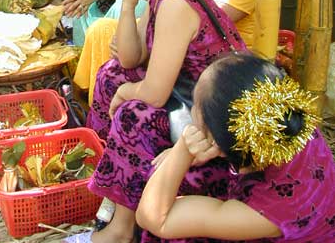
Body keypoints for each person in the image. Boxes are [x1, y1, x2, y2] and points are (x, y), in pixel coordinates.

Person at [70, 0, 244, 243]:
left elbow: (154, 93)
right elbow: (130, 58)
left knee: (133, 113)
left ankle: (120, 230)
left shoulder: (177, 3)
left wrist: (126, 93)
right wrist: (128, 3)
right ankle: (110, 185)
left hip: (212, 120)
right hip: (186, 99)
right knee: (111, 75)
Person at [136, 53, 335, 243]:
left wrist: (182, 149)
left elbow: (153, 218)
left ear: (219, 143)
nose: (193, 109)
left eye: (196, 105)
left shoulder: (267, 211)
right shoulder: (286, 118)